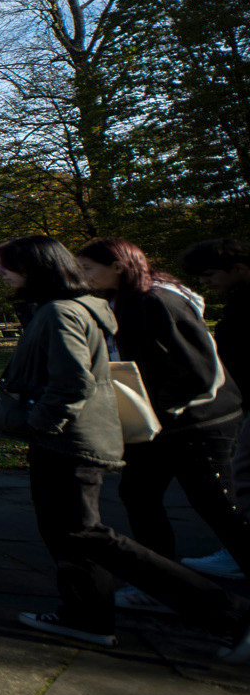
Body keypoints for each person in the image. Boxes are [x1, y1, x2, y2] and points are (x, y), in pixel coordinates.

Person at [0, 235, 250, 660]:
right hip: (65, 437)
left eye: (7, 265)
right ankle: (86, 616)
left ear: (37, 268)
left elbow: (72, 382)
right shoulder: (64, 309)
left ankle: (227, 612)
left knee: (87, 534)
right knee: (67, 533)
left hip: (68, 440)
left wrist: (41, 425)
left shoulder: (61, 313)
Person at [72, 238, 250, 602]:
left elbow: (198, 370)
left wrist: (155, 410)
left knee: (215, 504)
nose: (82, 275)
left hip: (196, 420)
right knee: (139, 494)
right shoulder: (125, 300)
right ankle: (160, 586)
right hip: (163, 421)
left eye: (88, 268)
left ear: (118, 267)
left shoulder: (156, 300)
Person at [180, 237, 250, 579]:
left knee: (243, 475)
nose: (205, 282)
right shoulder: (239, 299)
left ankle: (241, 552)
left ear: (239, 268)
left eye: (209, 274)